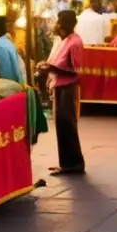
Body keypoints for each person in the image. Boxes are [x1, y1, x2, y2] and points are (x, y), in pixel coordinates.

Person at [39, 10, 85, 176]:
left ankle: (74, 163)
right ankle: (66, 162)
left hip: (68, 88)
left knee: (67, 125)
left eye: (59, 22)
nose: (56, 25)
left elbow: (76, 71)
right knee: (61, 125)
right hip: (59, 87)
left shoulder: (75, 42)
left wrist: (51, 68)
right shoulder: (64, 41)